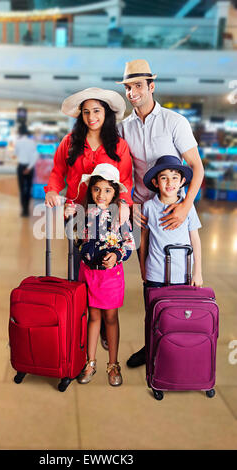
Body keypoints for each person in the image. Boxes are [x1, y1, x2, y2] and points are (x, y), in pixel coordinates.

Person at [116, 59, 205, 368]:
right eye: (128, 87)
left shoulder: (174, 122)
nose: (132, 92)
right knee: (150, 281)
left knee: (179, 282)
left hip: (174, 210)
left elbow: (196, 167)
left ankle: (177, 343)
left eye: (138, 86)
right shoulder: (124, 128)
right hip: (143, 214)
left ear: (151, 86)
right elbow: (122, 174)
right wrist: (130, 205)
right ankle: (151, 343)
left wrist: (185, 206)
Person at [44, 87, 133, 282]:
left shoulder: (119, 145)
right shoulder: (70, 142)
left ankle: (102, 307)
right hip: (76, 212)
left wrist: (124, 203)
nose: (91, 116)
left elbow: (125, 179)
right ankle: (79, 308)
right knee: (78, 263)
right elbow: (58, 171)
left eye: (96, 111)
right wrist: (52, 191)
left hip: (107, 214)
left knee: (104, 268)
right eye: (86, 112)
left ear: (106, 113)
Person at [65, 164, 135, 386]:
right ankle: (90, 362)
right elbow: (74, 236)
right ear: (90, 190)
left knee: (110, 318)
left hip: (111, 277)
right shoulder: (84, 213)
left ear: (115, 192)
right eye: (96, 189)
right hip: (88, 275)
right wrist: (67, 217)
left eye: (107, 190)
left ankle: (113, 364)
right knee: (92, 317)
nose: (101, 194)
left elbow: (130, 244)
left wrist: (116, 254)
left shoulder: (119, 216)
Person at [140, 155, 203, 298]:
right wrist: (143, 268)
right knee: (154, 315)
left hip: (183, 274)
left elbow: (195, 240)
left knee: (178, 317)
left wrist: (197, 272)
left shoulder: (188, 208)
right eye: (164, 178)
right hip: (155, 273)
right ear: (155, 182)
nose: (170, 182)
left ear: (182, 182)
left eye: (175, 177)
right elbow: (143, 239)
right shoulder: (148, 207)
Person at [14, 123, 39, 217]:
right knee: (28, 188)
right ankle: (27, 210)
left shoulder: (18, 142)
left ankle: (23, 210)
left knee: (21, 188)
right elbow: (35, 155)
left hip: (21, 166)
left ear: (19, 132)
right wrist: (29, 168)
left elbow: (15, 153)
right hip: (30, 167)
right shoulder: (32, 142)